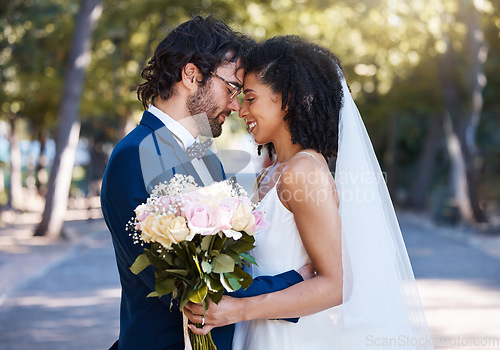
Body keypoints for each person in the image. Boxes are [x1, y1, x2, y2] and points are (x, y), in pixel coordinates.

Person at [184, 36, 433, 349]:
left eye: (250, 98)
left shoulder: (303, 172)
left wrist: (238, 309)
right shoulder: (270, 173)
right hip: (254, 334)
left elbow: (337, 284)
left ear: (286, 99)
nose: (241, 109)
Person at [101, 18, 306, 350]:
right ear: (191, 74)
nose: (235, 106)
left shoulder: (207, 158)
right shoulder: (133, 155)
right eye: (231, 89)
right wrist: (297, 282)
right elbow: (179, 287)